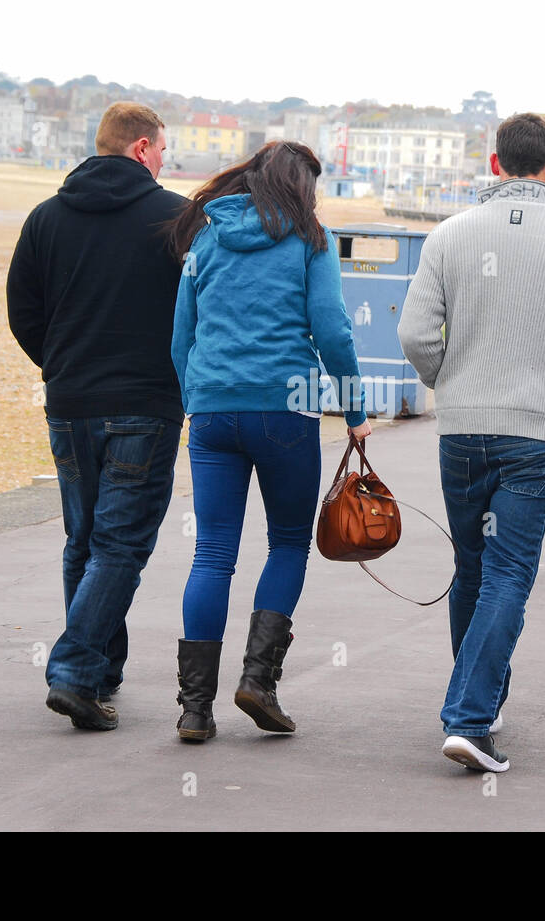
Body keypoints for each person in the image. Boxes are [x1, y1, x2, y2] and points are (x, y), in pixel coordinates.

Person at [397, 113, 545, 773]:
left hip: (463, 428)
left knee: (471, 564)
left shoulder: (449, 237)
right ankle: (470, 716)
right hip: (534, 433)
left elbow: (414, 335)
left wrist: (449, 381)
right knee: (508, 571)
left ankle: (480, 701)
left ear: (495, 164)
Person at [168, 141, 370, 743]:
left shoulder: (206, 239)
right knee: (286, 543)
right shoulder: (310, 239)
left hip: (211, 412)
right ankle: (258, 682)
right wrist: (355, 408)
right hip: (286, 409)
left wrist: (195, 398)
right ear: (302, 188)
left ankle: (194, 710)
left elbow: (182, 336)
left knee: (212, 554)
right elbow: (332, 329)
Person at [7, 102, 186, 731]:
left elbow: (22, 311)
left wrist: (59, 365)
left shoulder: (46, 217)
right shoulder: (175, 217)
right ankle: (77, 672)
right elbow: (198, 309)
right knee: (120, 546)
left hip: (71, 404)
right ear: (141, 148)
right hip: (145, 405)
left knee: (83, 541)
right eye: (164, 150)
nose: (166, 161)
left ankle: (100, 674)